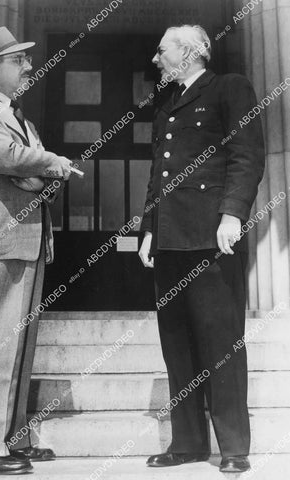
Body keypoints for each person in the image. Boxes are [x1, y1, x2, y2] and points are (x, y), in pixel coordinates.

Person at [139, 25, 265, 473]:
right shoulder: (166, 103)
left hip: (213, 239)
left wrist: (233, 214)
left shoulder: (230, 88)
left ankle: (233, 448)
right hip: (171, 240)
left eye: (162, 49)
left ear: (189, 52)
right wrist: (150, 230)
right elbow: (160, 173)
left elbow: (246, 156)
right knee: (177, 343)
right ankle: (188, 443)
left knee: (221, 344)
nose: (156, 59)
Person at [0, 27, 72, 475]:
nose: (27, 68)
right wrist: (51, 162)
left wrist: (37, 171)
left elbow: (27, 170)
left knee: (18, 346)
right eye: (18, 61)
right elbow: (7, 158)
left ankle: (8, 439)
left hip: (28, 239)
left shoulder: (24, 120)